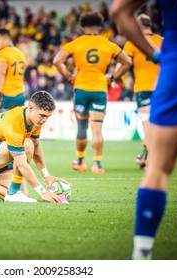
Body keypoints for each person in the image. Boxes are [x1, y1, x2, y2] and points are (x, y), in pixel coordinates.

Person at [111, 0, 177, 260]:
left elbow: (120, 11)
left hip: (175, 69)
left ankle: (141, 255)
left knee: (157, 167)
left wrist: (155, 54)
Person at [53, 12, 132, 174]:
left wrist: (68, 76)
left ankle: (81, 162)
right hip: (100, 89)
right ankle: (97, 165)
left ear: (82, 27)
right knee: (97, 129)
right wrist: (113, 77)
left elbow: (56, 61)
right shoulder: (108, 44)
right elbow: (127, 62)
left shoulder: (76, 43)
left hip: (81, 88)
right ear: (100, 27)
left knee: (82, 127)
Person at [0, 90, 63, 203]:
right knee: (27, 144)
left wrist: (47, 176)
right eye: (42, 115)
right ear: (30, 108)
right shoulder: (15, 123)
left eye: (47, 117)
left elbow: (36, 149)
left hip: (2, 154)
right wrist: (42, 191)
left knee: (23, 195)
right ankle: (14, 192)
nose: (44, 120)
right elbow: (21, 163)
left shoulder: (36, 121)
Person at [122, 14, 163, 169]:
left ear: (138, 26)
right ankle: (144, 158)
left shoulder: (133, 42)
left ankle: (153, 163)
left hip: (143, 89)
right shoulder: (163, 41)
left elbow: (124, 63)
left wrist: (116, 77)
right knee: (157, 125)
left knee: (147, 126)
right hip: (162, 88)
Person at [0, 28, 27, 120]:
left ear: (7, 39)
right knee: (16, 126)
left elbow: (1, 73)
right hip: (20, 96)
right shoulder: (21, 53)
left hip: (6, 96)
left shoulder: (3, 52)